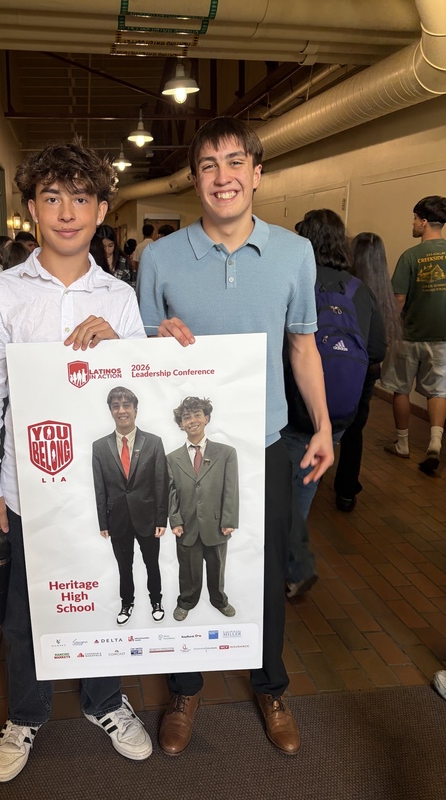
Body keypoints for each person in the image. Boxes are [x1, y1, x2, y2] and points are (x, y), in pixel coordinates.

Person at [138, 116, 333, 758]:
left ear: (256, 171)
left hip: (266, 439)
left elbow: (302, 346)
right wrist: (152, 340)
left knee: (268, 565)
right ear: (194, 179)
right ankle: (186, 687)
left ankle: (270, 685)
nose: (222, 176)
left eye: (234, 161)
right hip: (187, 444)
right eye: (208, 165)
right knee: (185, 555)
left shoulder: (293, 254)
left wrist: (324, 424)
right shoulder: (160, 258)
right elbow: (136, 359)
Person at [0, 139, 152, 783]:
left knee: (102, 595)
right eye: (51, 198)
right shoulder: (4, 294)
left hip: (99, 487)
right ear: (32, 210)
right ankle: (26, 714)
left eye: (80, 198)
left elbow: (140, 393)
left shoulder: (121, 299)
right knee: (24, 612)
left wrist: (125, 344)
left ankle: (105, 701)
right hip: (25, 488)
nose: (66, 212)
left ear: (102, 210)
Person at [281, 210, 385, 598]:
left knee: (284, 490)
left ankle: (294, 566)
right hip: (339, 413)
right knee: (304, 488)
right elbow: (376, 349)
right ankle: (293, 566)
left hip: (294, 407)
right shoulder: (360, 290)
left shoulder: (297, 283)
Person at [334, 232, 402, 511]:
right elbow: (378, 348)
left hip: (338, 368)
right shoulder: (384, 295)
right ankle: (347, 491)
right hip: (367, 373)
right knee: (355, 431)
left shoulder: (347, 289)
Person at [92, 386, 168, 625]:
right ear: (110, 411)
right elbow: (100, 487)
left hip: (147, 518)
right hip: (118, 519)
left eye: (126, 406)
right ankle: (127, 604)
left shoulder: (154, 442)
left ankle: (156, 600)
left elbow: (161, 483)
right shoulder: (100, 446)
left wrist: (160, 520)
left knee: (151, 564)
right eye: (116, 406)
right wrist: (103, 522)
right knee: (124, 566)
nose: (121, 410)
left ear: (136, 410)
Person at [381, 195, 446, 474]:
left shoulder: (411, 256)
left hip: (409, 336)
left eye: (414, 218)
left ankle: (403, 444)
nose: (412, 223)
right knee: (439, 391)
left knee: (400, 388)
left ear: (422, 221)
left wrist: (388, 331)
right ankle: (434, 444)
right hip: (443, 338)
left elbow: (398, 300)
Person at [167, 396, 238, 620]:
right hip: (186, 526)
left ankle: (219, 600)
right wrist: (175, 520)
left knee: (217, 567)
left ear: (207, 418)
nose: (193, 420)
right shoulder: (171, 458)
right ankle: (186, 601)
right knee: (188, 569)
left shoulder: (226, 453)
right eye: (186, 417)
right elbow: (170, 492)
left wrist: (229, 520)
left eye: (198, 415)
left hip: (217, 524)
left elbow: (231, 488)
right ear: (181, 424)